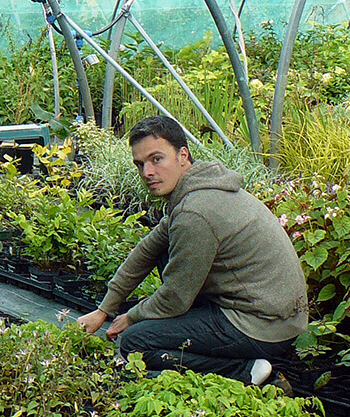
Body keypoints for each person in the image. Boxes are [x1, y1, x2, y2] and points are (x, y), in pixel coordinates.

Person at [77, 115, 308, 388]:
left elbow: (174, 298)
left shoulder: (195, 212)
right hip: (270, 314)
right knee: (162, 253)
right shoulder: (199, 189)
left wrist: (130, 316)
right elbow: (147, 250)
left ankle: (246, 371)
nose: (147, 172)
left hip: (263, 328)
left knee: (135, 342)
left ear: (183, 155)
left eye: (156, 159)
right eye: (140, 164)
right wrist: (104, 309)